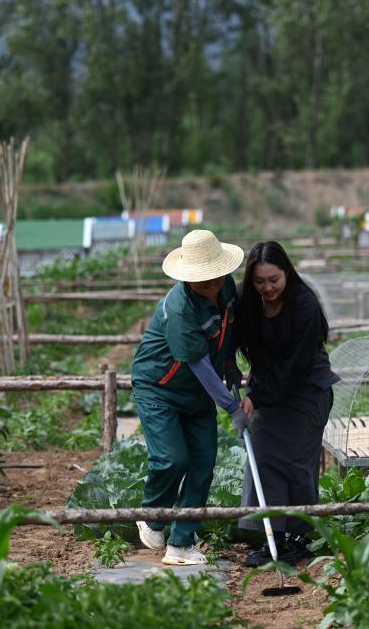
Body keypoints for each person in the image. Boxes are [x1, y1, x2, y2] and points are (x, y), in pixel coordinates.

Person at [131, 229, 248, 566]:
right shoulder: (179, 308)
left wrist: (229, 361)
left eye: (216, 276)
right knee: (171, 459)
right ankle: (152, 515)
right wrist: (231, 406)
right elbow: (197, 363)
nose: (212, 284)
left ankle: (180, 544)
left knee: (202, 464)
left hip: (197, 393)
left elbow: (226, 329)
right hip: (160, 387)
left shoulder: (226, 288)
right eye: (203, 280)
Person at [234, 241, 340, 567]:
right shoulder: (246, 302)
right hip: (268, 387)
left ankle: (297, 539)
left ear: (287, 273)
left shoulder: (304, 305)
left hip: (306, 391)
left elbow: (295, 367)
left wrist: (256, 396)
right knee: (263, 457)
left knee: (296, 463)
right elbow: (232, 342)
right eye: (259, 281)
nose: (267, 288)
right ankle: (272, 537)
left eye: (274, 280)